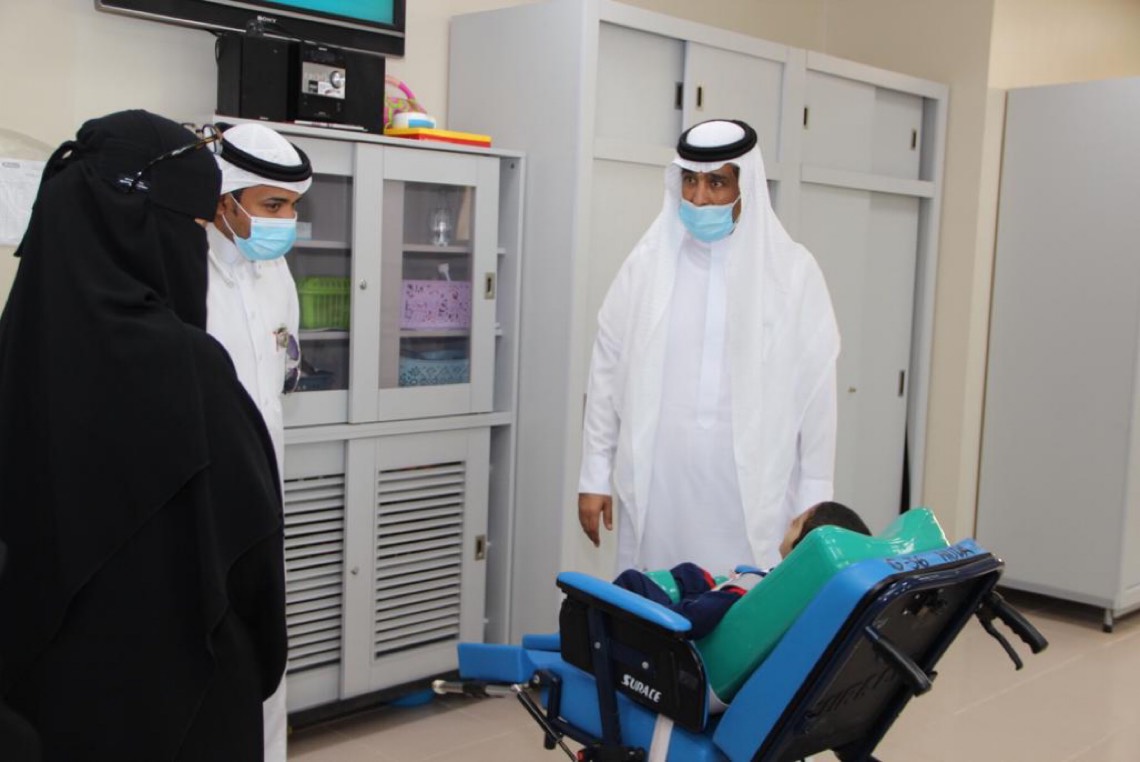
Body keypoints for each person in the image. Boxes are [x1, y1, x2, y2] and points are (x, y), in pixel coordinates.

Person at [0, 110, 286, 760]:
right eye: (194, 227)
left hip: (42, 705)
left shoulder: (15, 353)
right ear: (145, 228)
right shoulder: (188, 369)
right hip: (183, 700)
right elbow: (252, 556)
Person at [578, 118, 840, 572]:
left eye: (716, 183)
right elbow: (606, 369)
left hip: (752, 499)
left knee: (746, 604)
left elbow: (818, 395)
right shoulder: (646, 267)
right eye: (690, 181)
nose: (698, 198)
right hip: (660, 492)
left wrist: (814, 503)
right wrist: (595, 474)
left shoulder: (792, 274)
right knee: (654, 600)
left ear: (745, 187)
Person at [204, 123, 312, 762]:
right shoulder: (182, 270)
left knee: (267, 642)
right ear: (226, 200)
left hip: (265, 490)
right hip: (206, 496)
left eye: (292, 206)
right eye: (273, 205)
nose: (285, 221)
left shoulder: (277, 272)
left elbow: (284, 369)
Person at [613, 502, 870, 639]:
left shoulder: (758, 589)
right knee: (691, 574)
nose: (791, 521)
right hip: (721, 599)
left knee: (632, 582)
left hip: (679, 649)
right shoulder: (811, 605)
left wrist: (675, 610)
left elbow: (692, 620)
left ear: (804, 551)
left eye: (797, 523)